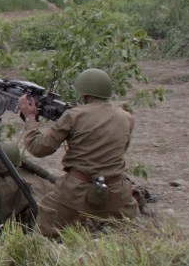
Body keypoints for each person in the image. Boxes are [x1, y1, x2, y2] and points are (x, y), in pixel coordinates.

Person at [17, 68, 139, 237]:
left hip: (76, 190)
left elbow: (38, 148)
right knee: (128, 231)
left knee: (44, 225)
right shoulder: (126, 117)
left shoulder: (73, 116)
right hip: (117, 190)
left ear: (84, 94)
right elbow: (120, 148)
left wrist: (30, 118)